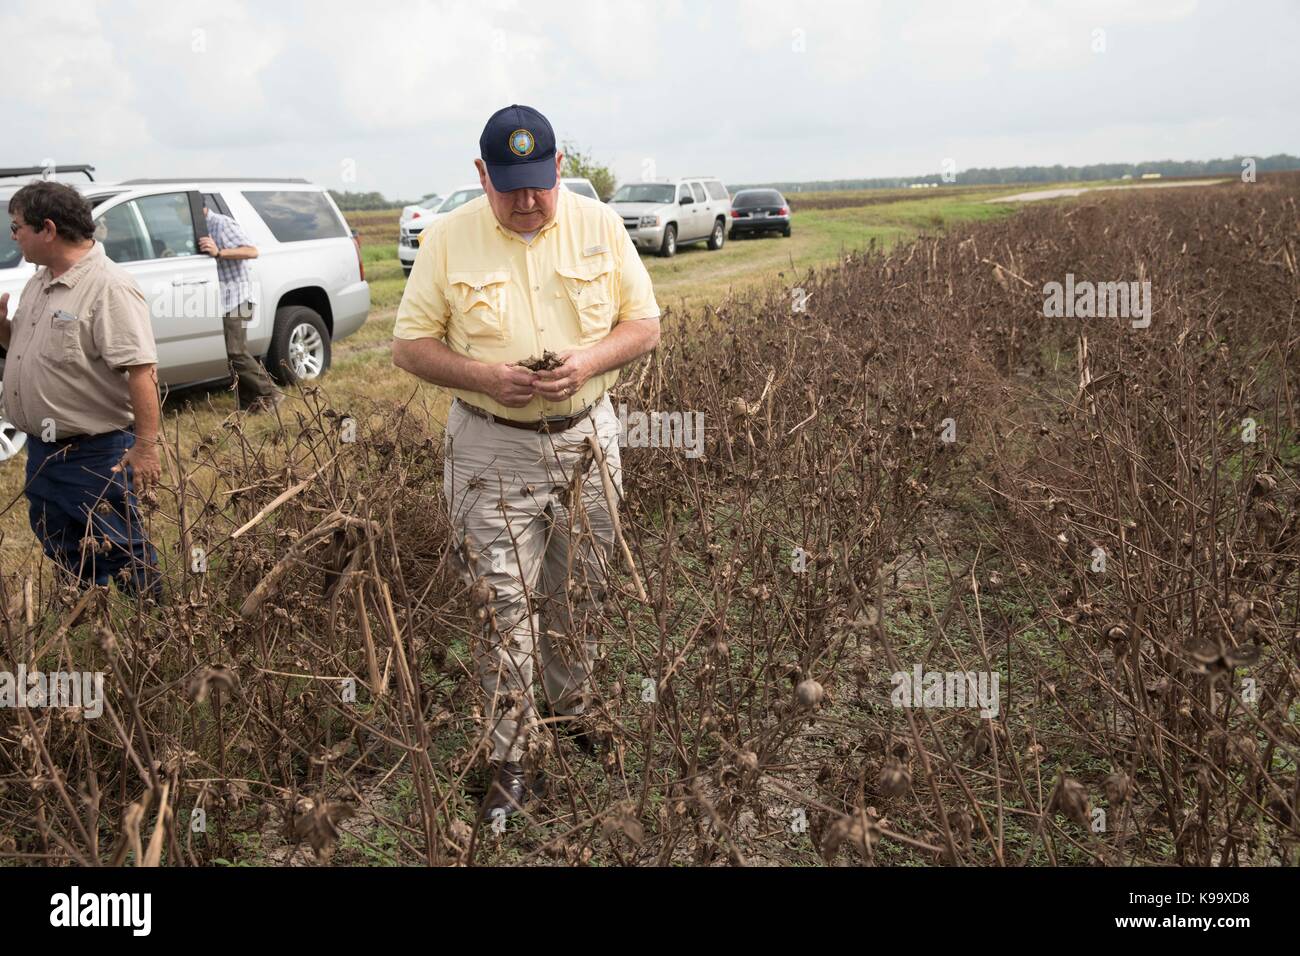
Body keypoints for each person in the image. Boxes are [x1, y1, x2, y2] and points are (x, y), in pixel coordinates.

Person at [392, 104, 661, 819]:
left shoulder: (600, 227)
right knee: (501, 604)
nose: (527, 200)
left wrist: (588, 362)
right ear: (481, 174)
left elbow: (645, 325)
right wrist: (486, 377)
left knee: (583, 588)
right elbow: (408, 345)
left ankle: (574, 709)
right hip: (490, 445)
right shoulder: (447, 241)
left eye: (539, 183)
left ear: (560, 169)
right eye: (509, 185)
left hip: (586, 438)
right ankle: (511, 756)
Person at [2, 181, 162, 598]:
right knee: (64, 547)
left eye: (17, 226)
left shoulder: (109, 287)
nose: (13, 234)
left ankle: (160, 635)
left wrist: (146, 447)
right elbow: (23, 346)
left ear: (48, 229)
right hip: (43, 451)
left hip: (93, 453)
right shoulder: (40, 281)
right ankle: (92, 623)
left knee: (123, 551)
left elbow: (141, 370)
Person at [199, 204, 281, 412]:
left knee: (235, 352)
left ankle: (270, 391)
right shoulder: (201, 227)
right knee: (235, 354)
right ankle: (248, 404)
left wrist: (219, 252)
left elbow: (251, 251)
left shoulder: (221, 224)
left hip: (238, 296)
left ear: (200, 208)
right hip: (224, 298)